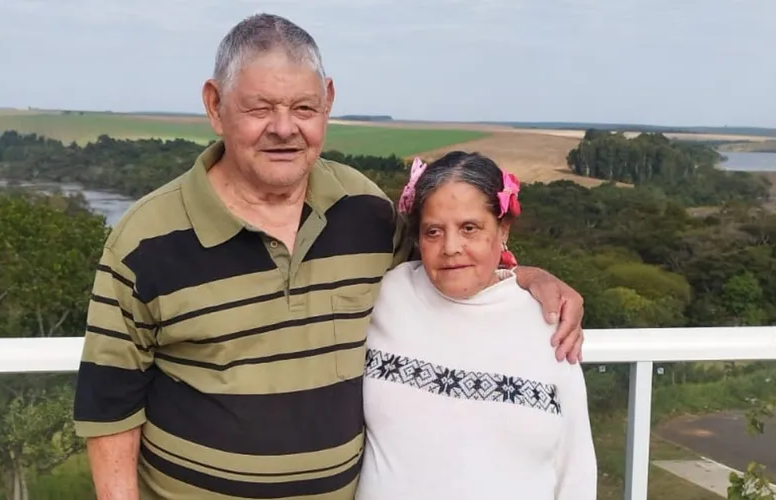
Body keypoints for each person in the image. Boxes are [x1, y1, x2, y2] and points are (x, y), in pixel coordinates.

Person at [72, 13, 586, 500]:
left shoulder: (364, 210)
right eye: (259, 108)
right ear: (214, 105)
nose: (283, 128)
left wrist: (525, 276)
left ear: (328, 103)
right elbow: (109, 410)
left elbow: (451, 268)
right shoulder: (144, 239)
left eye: (303, 108)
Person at [356, 152, 597, 500]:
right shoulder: (385, 295)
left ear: (502, 229)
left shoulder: (548, 322)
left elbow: (575, 471)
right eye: (434, 231)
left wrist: (526, 276)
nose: (451, 248)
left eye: (470, 228)